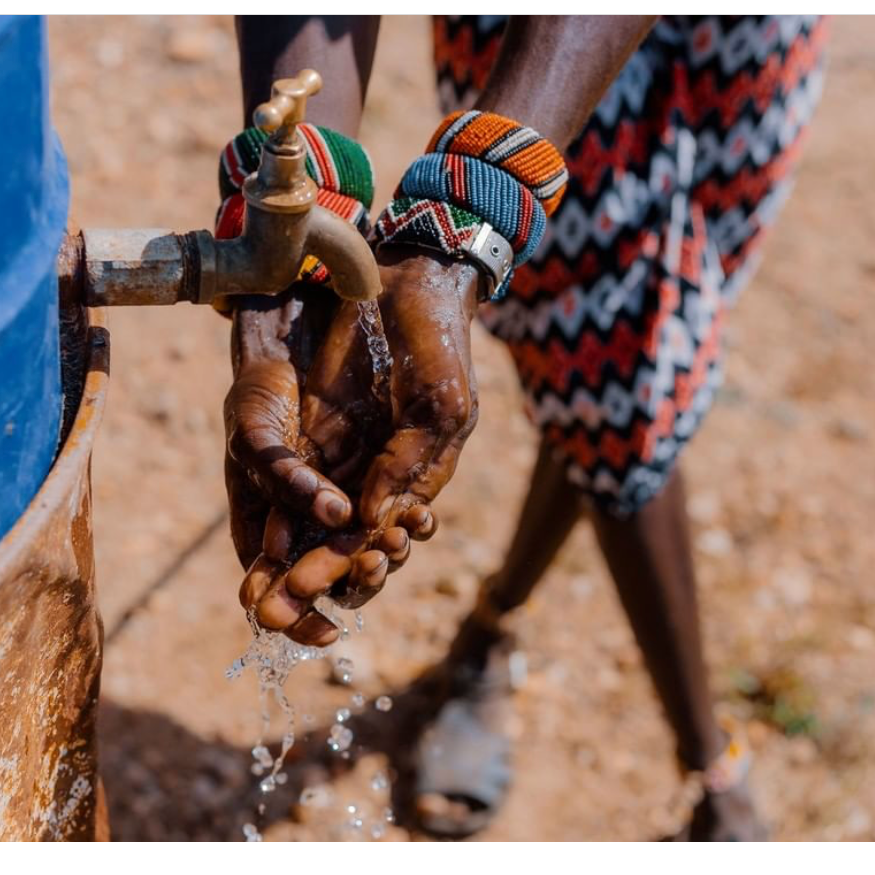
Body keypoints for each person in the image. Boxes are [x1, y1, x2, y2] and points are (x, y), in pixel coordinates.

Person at [220, 15, 826, 840]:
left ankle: (494, 629)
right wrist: (289, 249)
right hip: (528, 48)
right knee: (611, 387)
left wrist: (459, 226)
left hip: (735, 41)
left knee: (616, 379)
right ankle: (706, 763)